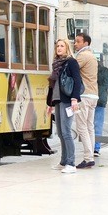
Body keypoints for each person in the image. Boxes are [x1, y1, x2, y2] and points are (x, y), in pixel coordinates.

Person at [46, 38, 82, 174]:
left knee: (66, 132)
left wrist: (74, 99)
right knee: (60, 133)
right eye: (57, 46)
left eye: (62, 46)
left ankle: (71, 163)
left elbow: (77, 80)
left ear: (67, 48)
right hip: (58, 100)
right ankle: (63, 161)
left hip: (67, 100)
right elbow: (52, 85)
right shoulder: (56, 64)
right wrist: (50, 104)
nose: (59, 48)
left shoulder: (71, 62)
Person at [73, 32, 98, 169]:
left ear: (85, 43)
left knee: (82, 127)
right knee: (90, 127)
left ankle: (88, 158)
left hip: (84, 95)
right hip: (93, 95)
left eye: (78, 41)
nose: (75, 44)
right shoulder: (93, 56)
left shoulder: (82, 56)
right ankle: (91, 156)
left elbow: (71, 70)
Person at [93, 60, 108, 156]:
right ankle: (96, 148)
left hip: (89, 98)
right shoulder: (105, 71)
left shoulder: (90, 69)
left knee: (88, 124)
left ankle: (89, 146)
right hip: (100, 100)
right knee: (98, 124)